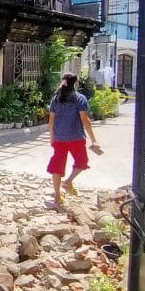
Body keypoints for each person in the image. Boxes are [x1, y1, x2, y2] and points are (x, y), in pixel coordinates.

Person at [46, 72, 101, 207]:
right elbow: (85, 120)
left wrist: (51, 137)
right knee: (82, 162)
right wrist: (94, 139)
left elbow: (51, 119)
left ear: (63, 81)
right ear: (75, 83)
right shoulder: (80, 98)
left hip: (59, 138)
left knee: (57, 166)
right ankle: (68, 181)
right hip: (76, 137)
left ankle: (58, 196)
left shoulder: (56, 98)